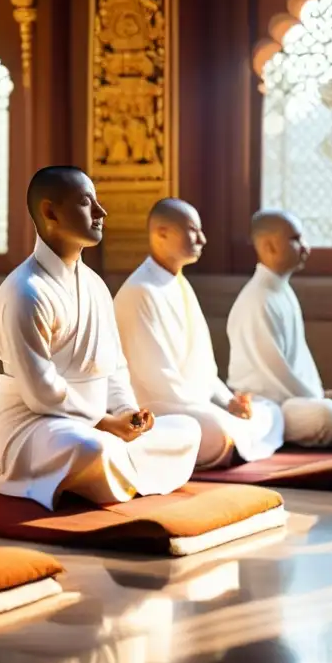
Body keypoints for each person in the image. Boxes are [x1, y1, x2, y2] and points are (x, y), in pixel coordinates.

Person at [0, 167, 201, 510]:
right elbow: (40, 391)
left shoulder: (95, 286)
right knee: (92, 448)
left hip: (99, 423)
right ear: (50, 212)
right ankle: (89, 472)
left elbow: (115, 366)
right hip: (38, 427)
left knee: (187, 430)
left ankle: (96, 477)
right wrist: (103, 423)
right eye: (87, 203)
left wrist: (128, 413)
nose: (101, 213)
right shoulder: (24, 291)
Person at [113, 199, 284, 468]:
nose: (203, 239)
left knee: (270, 411)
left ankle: (229, 446)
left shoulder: (179, 284)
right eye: (193, 230)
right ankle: (224, 446)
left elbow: (203, 366)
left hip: (195, 406)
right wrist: (214, 410)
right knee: (216, 429)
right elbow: (157, 381)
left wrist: (228, 401)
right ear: (162, 233)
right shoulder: (140, 291)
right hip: (161, 410)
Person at [226, 209, 332, 448]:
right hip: (268, 407)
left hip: (296, 400)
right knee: (326, 417)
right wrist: (320, 399)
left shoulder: (283, 291)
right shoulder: (257, 300)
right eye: (295, 239)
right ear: (270, 246)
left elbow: (297, 366)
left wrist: (323, 394)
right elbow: (274, 376)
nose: (306, 247)